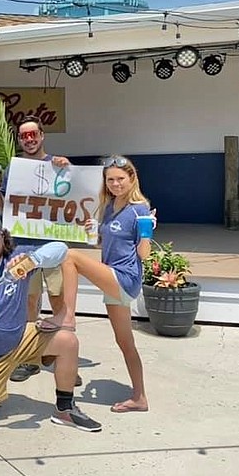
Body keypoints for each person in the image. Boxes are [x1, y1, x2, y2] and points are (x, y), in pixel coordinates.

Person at [0, 214, 101, 431]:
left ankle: (65, 409)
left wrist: (34, 260)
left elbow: (61, 249)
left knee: (67, 341)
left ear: (3, 238)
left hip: (19, 340)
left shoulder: (17, 259)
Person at [37, 155, 154, 414]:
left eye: (120, 179)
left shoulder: (140, 209)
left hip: (125, 278)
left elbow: (143, 255)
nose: (115, 184)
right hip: (112, 275)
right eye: (110, 180)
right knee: (125, 343)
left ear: (132, 178)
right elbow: (107, 245)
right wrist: (97, 230)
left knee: (69, 256)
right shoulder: (111, 206)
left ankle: (67, 316)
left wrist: (147, 232)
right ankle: (140, 397)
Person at [0, 114, 74, 384]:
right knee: (28, 303)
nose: (29, 139)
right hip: (23, 249)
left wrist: (68, 168)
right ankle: (29, 359)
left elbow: (74, 201)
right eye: (24, 135)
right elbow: (5, 210)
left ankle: (65, 358)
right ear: (19, 139)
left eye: (33, 134)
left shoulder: (59, 165)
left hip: (53, 248)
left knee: (60, 302)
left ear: (42, 135)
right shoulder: (15, 169)